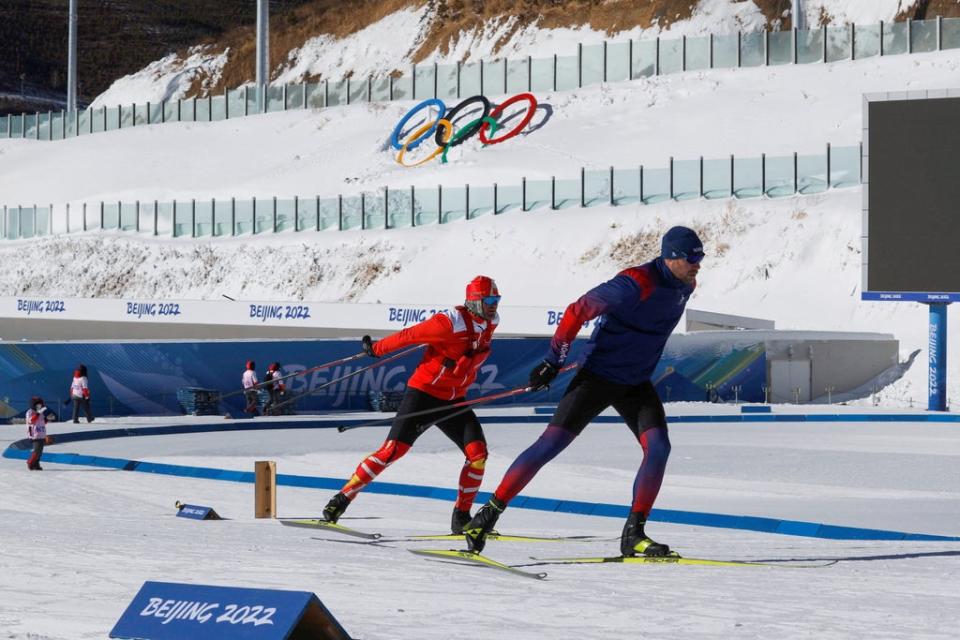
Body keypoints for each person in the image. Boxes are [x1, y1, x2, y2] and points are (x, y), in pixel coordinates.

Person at [463, 226, 704, 557]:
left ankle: (634, 534)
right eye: (692, 257)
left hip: (635, 381)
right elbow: (577, 310)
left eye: (701, 257)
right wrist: (552, 360)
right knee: (550, 445)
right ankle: (485, 517)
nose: (698, 264)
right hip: (598, 377)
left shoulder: (686, 284)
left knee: (659, 448)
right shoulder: (636, 282)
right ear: (671, 256)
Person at [321, 276, 501, 534]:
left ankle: (461, 517)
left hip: (453, 400)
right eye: (490, 300)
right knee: (392, 451)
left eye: (497, 300)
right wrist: (376, 349)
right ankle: (341, 499)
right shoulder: (449, 322)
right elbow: (410, 336)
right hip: (424, 394)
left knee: (478, 455)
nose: (495, 305)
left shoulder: (491, 323)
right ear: (474, 301)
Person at [26, 396, 48, 470]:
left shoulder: (41, 413)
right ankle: (30, 462)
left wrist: (47, 418)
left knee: (40, 451)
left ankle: (36, 463)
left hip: (41, 433)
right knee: (37, 450)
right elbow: (31, 420)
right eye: (38, 405)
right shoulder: (30, 412)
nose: (40, 406)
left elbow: (44, 422)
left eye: (41, 405)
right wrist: (38, 413)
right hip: (34, 434)